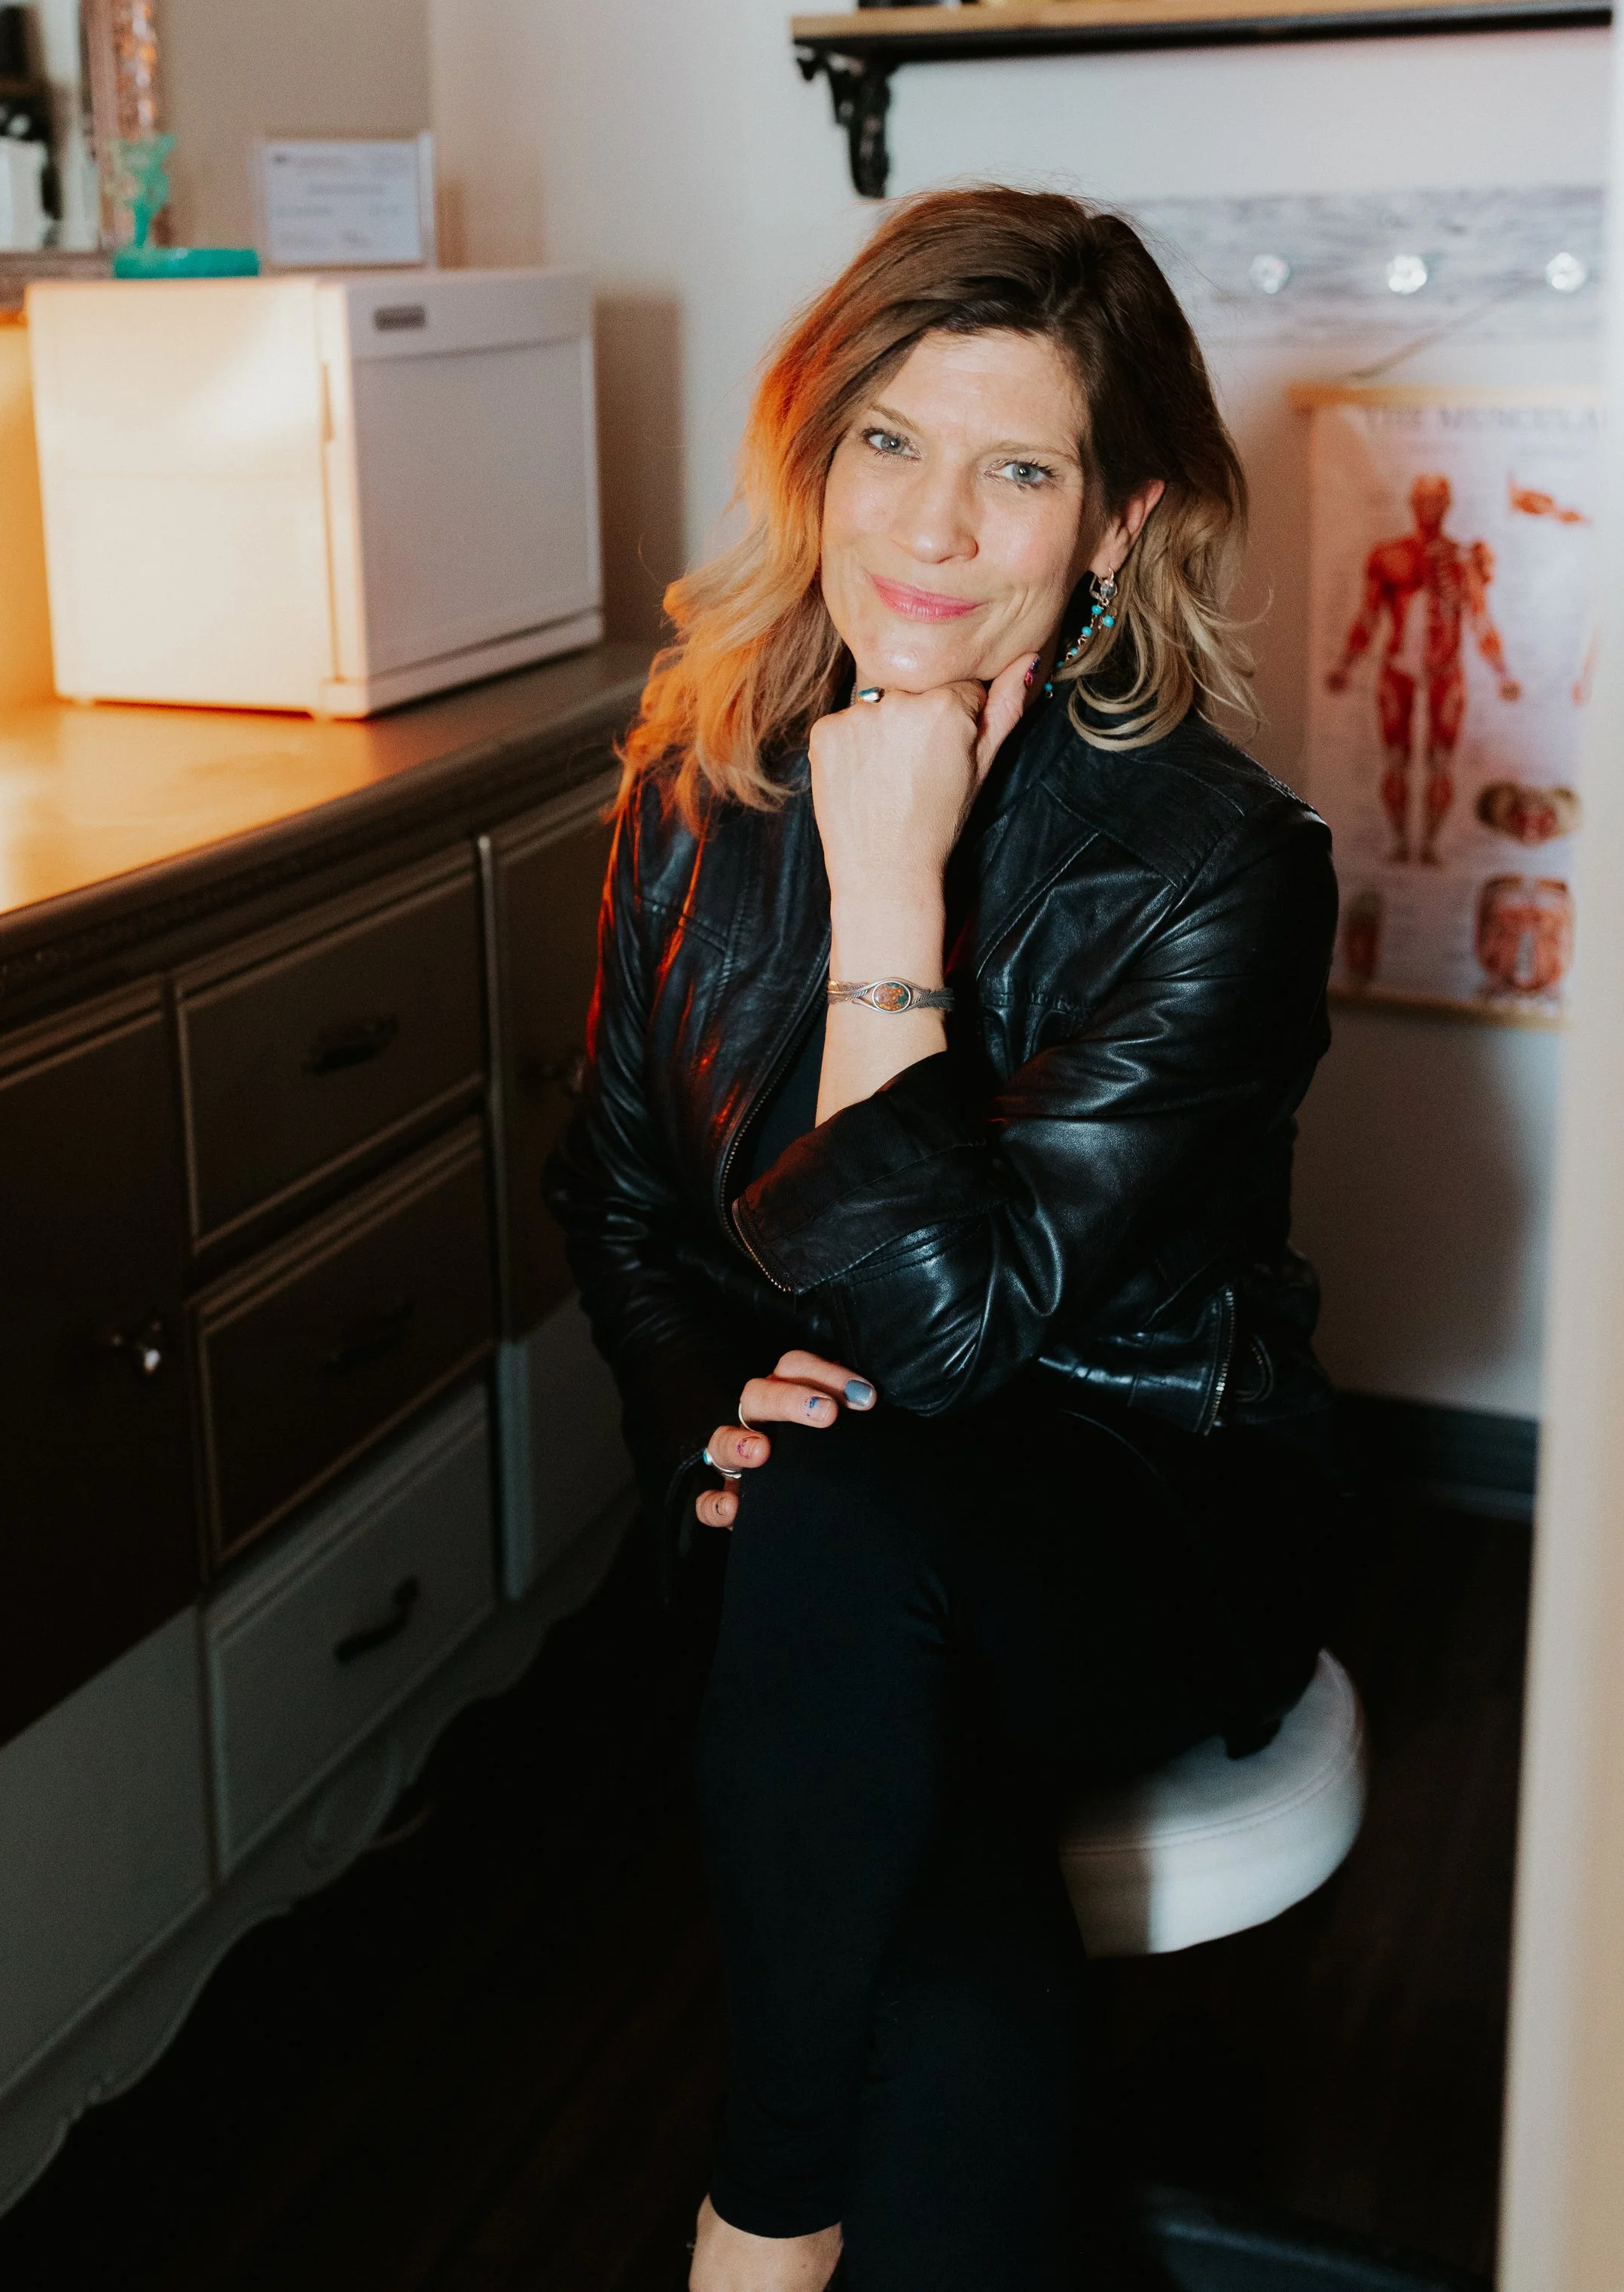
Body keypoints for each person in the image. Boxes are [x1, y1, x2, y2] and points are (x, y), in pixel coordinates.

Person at [547, 188, 1343, 2292]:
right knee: (938, 1905)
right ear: (816, 452)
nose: (930, 524)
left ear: (1116, 523)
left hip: (1136, 1494)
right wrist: (709, 1420)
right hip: (834, 1507)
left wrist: (889, 893)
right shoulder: (697, 778)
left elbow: (951, 1340)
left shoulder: (1221, 864)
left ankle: (760, 2211)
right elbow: (615, 1194)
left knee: (842, 1534)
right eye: (890, 440)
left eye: (1019, 470)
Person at [1324, 470, 1520, 865]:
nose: (1429, 507)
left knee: (1441, 762)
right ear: (1411, 504)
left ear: (1448, 506)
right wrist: (1346, 665)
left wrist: (1502, 673)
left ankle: (1430, 847)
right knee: (1396, 759)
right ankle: (1399, 844)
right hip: (1397, 669)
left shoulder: (1464, 558)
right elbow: (1368, 616)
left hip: (1445, 671)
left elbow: (1480, 619)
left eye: (1437, 500)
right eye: (1422, 499)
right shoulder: (1388, 555)